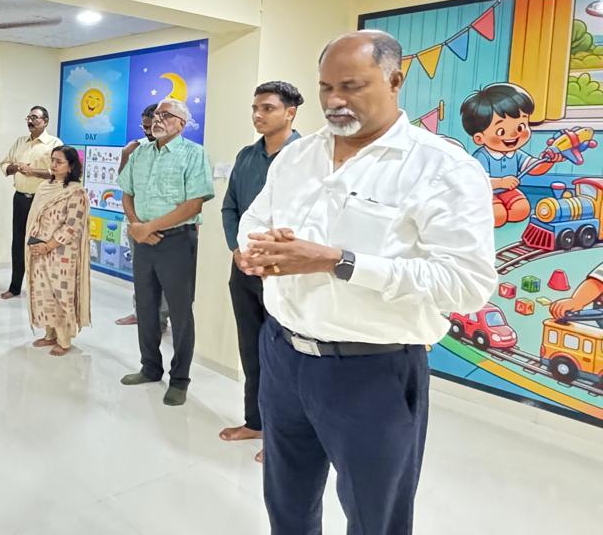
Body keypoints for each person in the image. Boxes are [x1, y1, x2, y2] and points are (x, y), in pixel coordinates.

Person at [237, 30, 496, 534]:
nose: (334, 101)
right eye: (326, 87)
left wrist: (339, 261)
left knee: (376, 515)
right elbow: (255, 220)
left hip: (371, 371)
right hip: (283, 354)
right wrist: (256, 250)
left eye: (351, 86)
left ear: (395, 81)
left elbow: (466, 283)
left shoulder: (442, 169)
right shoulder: (297, 156)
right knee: (286, 503)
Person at [219, 80, 303, 464]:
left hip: (283, 274)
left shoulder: (307, 158)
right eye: (255, 108)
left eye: (267, 108)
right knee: (251, 351)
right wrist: (238, 251)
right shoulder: (246, 156)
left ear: (290, 112)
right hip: (244, 269)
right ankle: (255, 422)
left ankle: (282, 437)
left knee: (283, 358)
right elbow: (230, 207)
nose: (258, 115)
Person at [117, 99, 214, 406]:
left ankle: (180, 379)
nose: (158, 119)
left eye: (166, 115)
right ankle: (150, 367)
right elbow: (127, 193)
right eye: (156, 114)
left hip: (177, 241)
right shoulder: (140, 153)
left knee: (180, 312)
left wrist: (149, 227)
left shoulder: (194, 154)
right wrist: (137, 226)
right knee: (146, 306)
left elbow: (194, 204)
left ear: (181, 124)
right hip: (143, 240)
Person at [459, 83, 560, 228]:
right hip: (486, 193)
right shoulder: (482, 156)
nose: (514, 134)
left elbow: (533, 167)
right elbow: (478, 181)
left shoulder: (516, 154)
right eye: (501, 131)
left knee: (522, 210)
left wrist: (549, 160)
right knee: (498, 216)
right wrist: (500, 182)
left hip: (508, 191)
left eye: (521, 126)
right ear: (479, 138)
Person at [25, 146, 91, 356]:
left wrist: (49, 245)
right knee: (43, 291)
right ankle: (49, 333)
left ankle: (64, 340)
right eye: (52, 160)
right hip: (39, 248)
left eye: (59, 162)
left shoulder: (76, 192)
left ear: (71, 167)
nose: (53, 165)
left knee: (61, 294)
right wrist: (37, 244)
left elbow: (72, 226)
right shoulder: (45, 186)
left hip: (61, 253)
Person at [0, 105, 62, 301]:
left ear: (45, 121)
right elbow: (4, 164)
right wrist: (16, 167)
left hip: (43, 202)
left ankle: (42, 289)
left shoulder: (55, 143)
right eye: (28, 117)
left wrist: (33, 171)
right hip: (20, 199)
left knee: (40, 243)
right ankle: (15, 287)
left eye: (35, 117)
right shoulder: (20, 142)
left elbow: (58, 172)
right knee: (18, 243)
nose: (30, 121)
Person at [116, 103, 158, 326]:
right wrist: (125, 154)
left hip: (162, 224)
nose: (147, 131)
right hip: (136, 222)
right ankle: (141, 313)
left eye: (151, 126)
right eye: (144, 127)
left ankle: (161, 319)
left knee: (164, 275)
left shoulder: (178, 151)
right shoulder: (137, 148)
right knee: (141, 273)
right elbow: (124, 184)